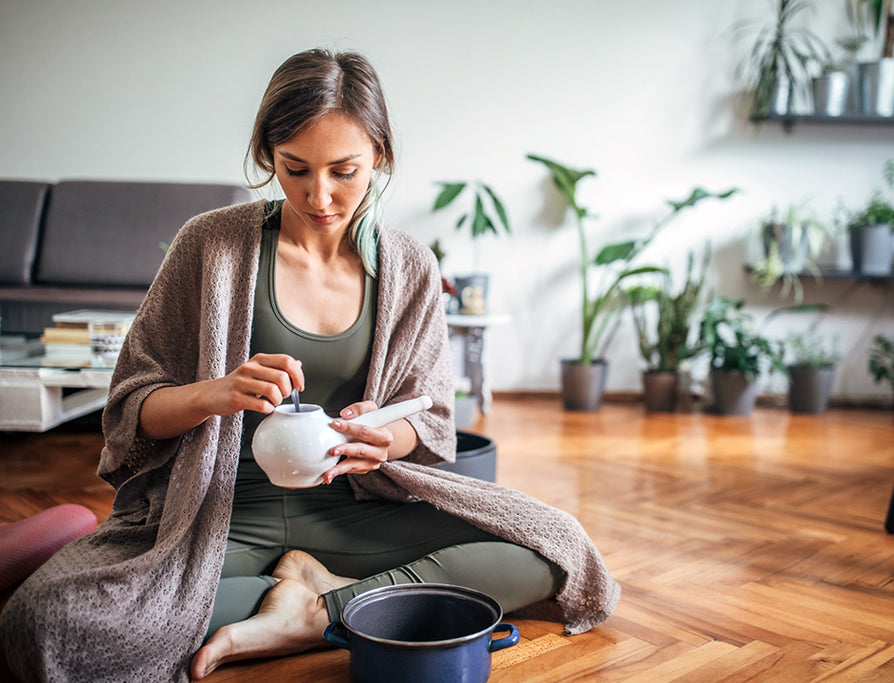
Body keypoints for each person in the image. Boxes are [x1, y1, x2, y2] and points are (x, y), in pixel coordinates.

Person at [0, 49, 619, 682]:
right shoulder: (211, 246)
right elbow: (130, 411)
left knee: (554, 549)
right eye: (294, 168)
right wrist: (214, 394)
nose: (318, 196)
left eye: (344, 171)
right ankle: (356, 607)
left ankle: (313, 612)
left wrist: (387, 435)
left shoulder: (409, 267)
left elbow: (430, 416)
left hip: (357, 509)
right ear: (268, 153)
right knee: (44, 623)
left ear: (379, 155)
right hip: (222, 511)